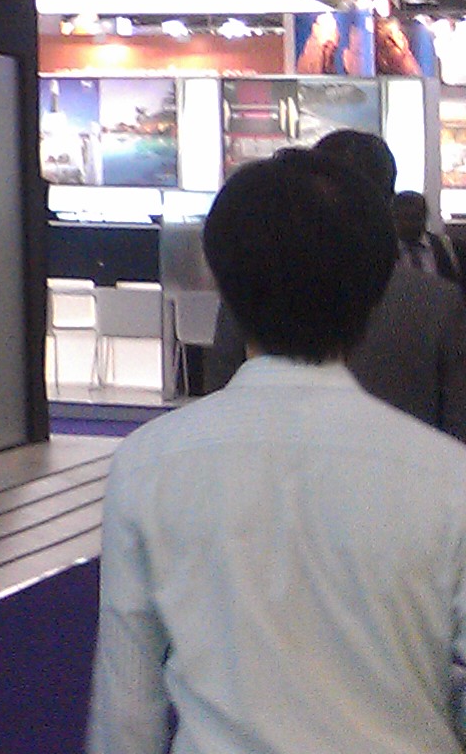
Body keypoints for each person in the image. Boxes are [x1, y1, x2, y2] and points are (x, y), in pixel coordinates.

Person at [88, 147, 466, 753]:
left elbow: (127, 706)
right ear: (375, 290)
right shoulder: (446, 477)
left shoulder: (149, 463)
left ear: (225, 285)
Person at [204, 129, 466, 432]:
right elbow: (457, 421)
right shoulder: (436, 302)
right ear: (387, 202)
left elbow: (218, 395)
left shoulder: (255, 285)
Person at [400, 190, 462, 283]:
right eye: (404, 217)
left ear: (425, 217)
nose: (408, 224)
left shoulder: (446, 247)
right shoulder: (385, 250)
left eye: (414, 217)